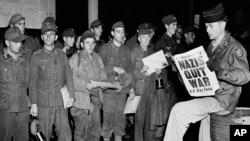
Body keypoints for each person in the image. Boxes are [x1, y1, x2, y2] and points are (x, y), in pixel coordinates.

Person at [163, 3, 250, 141]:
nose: (207, 29)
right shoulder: (212, 46)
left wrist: (218, 69)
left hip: (222, 100)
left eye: (211, 26)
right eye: (206, 26)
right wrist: (181, 69)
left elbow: (245, 76)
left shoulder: (234, 47)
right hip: (210, 96)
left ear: (222, 25)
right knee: (205, 136)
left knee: (178, 111)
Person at [29, 16, 75, 141]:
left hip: (61, 102)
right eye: (46, 34)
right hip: (44, 104)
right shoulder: (36, 57)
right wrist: (33, 104)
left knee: (66, 136)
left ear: (56, 37)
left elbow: (69, 77)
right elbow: (32, 83)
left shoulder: (62, 55)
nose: (49, 37)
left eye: (52, 34)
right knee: (43, 136)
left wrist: (71, 96)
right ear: (42, 37)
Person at [68, 30, 107, 141]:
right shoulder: (76, 58)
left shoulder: (97, 57)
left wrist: (104, 83)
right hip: (81, 103)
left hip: (96, 102)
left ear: (95, 44)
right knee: (81, 135)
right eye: (87, 43)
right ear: (81, 44)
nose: (90, 45)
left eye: (92, 43)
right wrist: (86, 85)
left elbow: (103, 74)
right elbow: (71, 80)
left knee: (95, 134)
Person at [99, 21, 133, 141]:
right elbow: (100, 68)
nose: (120, 34)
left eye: (122, 32)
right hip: (109, 92)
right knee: (107, 124)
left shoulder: (126, 50)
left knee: (120, 124)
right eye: (118, 32)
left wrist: (130, 88)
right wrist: (113, 68)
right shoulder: (104, 48)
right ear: (112, 33)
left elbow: (130, 71)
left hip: (122, 92)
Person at [0, 26, 30, 141]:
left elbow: (28, 84)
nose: (19, 45)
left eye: (20, 41)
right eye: (15, 42)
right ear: (7, 42)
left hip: (23, 108)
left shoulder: (24, 60)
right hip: (5, 109)